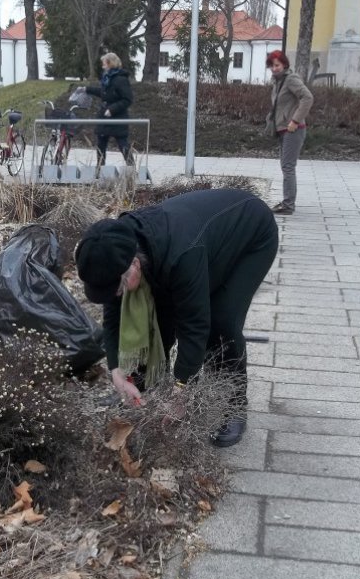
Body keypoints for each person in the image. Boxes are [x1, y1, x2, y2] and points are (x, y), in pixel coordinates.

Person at [75, 188, 279, 448]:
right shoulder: (114, 250)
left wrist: (181, 388)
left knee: (221, 322)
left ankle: (232, 404)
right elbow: (114, 313)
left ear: (135, 264)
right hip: (203, 244)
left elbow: (195, 325)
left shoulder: (181, 254)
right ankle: (146, 385)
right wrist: (116, 370)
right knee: (159, 312)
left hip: (251, 236)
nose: (117, 295)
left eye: (118, 288)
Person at [265, 50, 313, 215]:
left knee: (288, 166)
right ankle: (287, 202)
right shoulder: (277, 81)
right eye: (272, 66)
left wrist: (295, 120)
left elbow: (308, 98)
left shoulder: (291, 79)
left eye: (277, 65)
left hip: (293, 130)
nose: (274, 68)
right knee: (286, 166)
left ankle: (288, 205)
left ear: (284, 64)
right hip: (282, 129)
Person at [81, 52, 134, 166]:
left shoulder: (121, 80)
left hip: (117, 117)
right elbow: (104, 93)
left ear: (110, 64)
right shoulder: (107, 78)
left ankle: (132, 169)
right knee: (101, 145)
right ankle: (99, 169)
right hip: (105, 117)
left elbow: (127, 99)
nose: (102, 66)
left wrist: (112, 109)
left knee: (123, 144)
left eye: (104, 64)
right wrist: (87, 89)